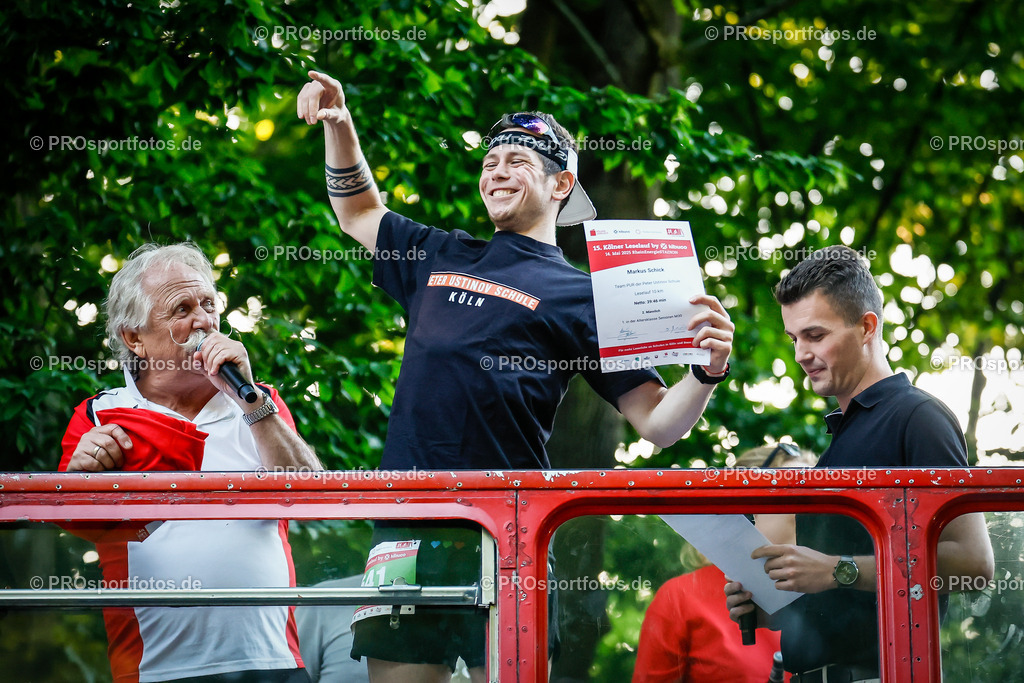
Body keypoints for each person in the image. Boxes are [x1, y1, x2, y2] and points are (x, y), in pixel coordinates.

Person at [296, 72, 735, 683]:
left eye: (516, 161)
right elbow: (357, 211)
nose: (495, 171)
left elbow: (658, 423)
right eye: (489, 161)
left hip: (507, 530)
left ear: (562, 184)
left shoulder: (584, 295)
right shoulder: (438, 253)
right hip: (406, 525)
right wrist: (340, 126)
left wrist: (707, 370)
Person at [724, 246, 994, 683]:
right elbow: (838, 594)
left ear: (867, 327)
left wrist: (835, 570)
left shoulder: (918, 417)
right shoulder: (839, 441)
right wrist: (767, 601)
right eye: (794, 339)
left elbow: (973, 565)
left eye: (815, 335)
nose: (800, 355)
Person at [59, 243, 322, 683]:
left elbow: (313, 498)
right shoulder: (98, 415)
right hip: (155, 669)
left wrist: (248, 398)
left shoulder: (260, 403)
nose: (203, 320)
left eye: (208, 305)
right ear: (134, 338)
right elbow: (71, 520)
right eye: (182, 309)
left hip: (272, 662)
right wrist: (80, 476)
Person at [633, 444, 814, 683]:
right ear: (746, 512)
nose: (816, 511)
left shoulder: (833, 588)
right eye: (796, 496)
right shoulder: (681, 597)